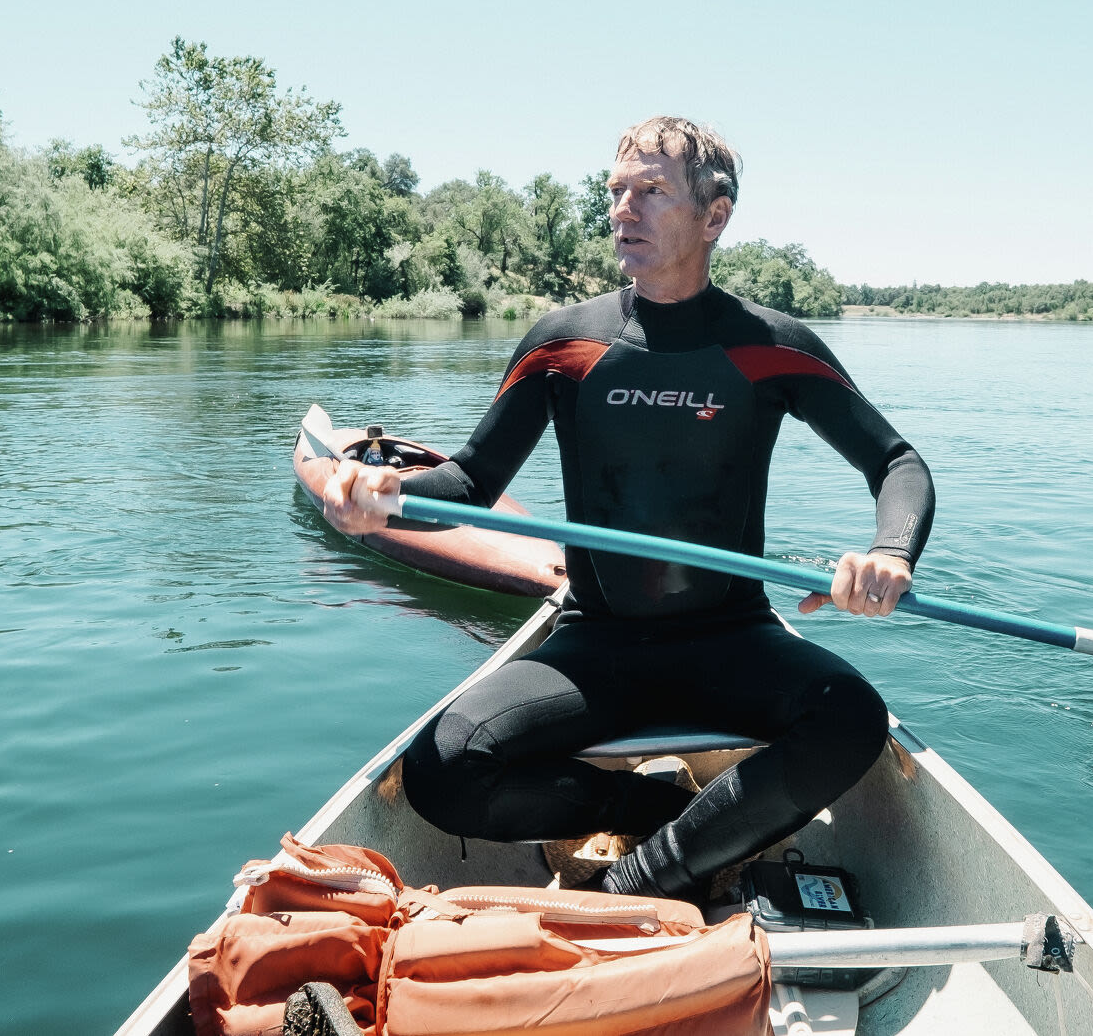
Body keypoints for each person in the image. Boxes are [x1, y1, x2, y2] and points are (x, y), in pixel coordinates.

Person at [319, 116, 934, 903]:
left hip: (733, 640)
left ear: (716, 215)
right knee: (441, 771)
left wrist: (890, 553)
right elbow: (471, 481)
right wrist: (389, 500)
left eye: (650, 191)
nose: (622, 211)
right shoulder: (563, 343)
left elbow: (898, 463)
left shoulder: (775, 347)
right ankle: (649, 808)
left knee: (852, 717)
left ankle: (637, 883)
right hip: (596, 647)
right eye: (616, 192)